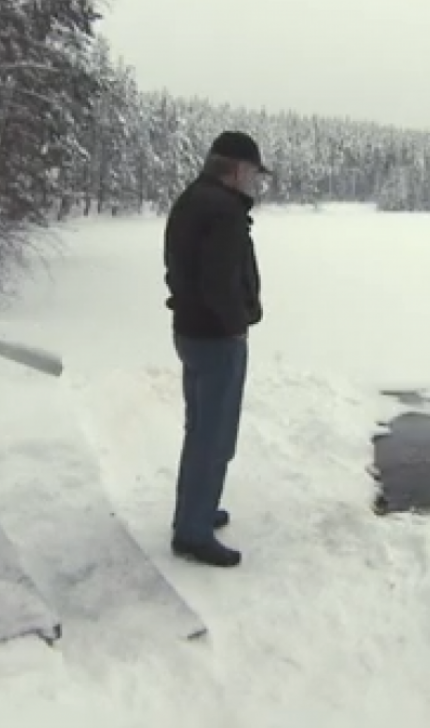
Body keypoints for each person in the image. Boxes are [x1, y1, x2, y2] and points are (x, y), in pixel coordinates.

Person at [163, 130, 269, 568]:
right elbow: (218, 283)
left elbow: (179, 270)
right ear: (238, 169)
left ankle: (196, 512)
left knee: (201, 431)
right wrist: (236, 325)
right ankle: (193, 532)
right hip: (215, 339)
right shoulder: (223, 211)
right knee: (213, 437)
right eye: (255, 173)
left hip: (191, 332)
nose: (256, 182)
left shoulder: (193, 199)